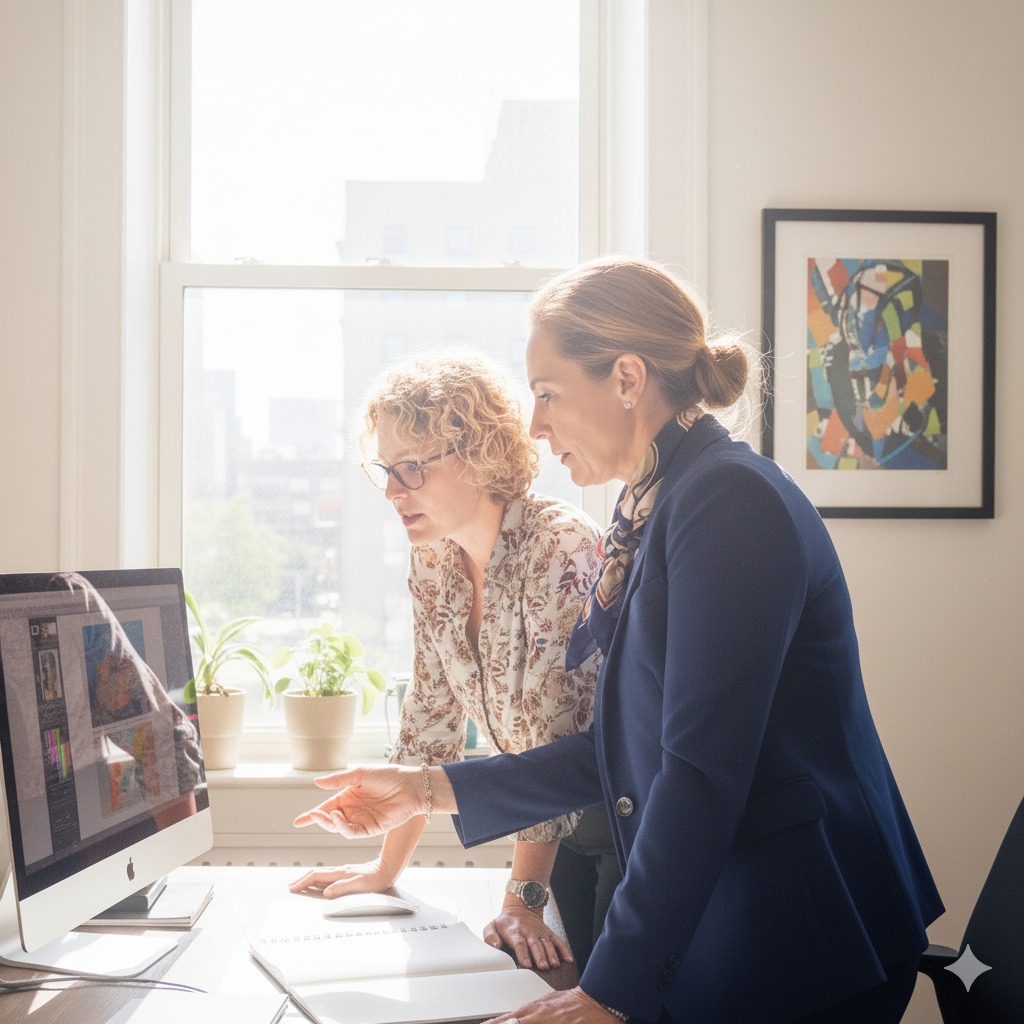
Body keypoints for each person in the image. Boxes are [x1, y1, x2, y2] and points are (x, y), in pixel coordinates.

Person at [294, 257, 944, 1024]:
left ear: (628, 380)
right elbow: (621, 747)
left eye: (546, 395)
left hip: (800, 930)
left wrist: (610, 989)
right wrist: (430, 789)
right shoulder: (661, 502)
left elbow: (698, 772)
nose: (534, 425)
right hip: (735, 906)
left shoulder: (728, 502)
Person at [289, 352, 621, 973]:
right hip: (550, 832)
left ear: (482, 455)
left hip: (620, 831)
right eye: (386, 469)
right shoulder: (434, 560)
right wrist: (386, 871)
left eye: (412, 467)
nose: (393, 490)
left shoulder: (561, 548)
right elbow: (430, 721)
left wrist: (522, 900)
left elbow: (551, 743)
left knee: (606, 997)